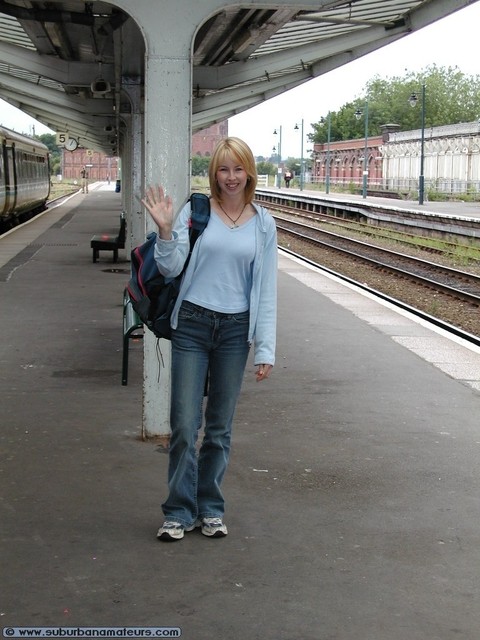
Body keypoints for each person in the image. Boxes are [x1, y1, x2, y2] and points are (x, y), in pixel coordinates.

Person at [141, 137, 277, 541]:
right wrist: (166, 230)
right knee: (185, 423)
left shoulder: (263, 223)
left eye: (238, 169)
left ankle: (211, 508)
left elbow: (266, 288)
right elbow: (169, 268)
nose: (231, 178)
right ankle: (179, 511)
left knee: (219, 428)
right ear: (213, 173)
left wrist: (265, 348)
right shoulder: (196, 213)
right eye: (223, 169)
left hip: (235, 331)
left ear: (249, 172)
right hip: (195, 325)